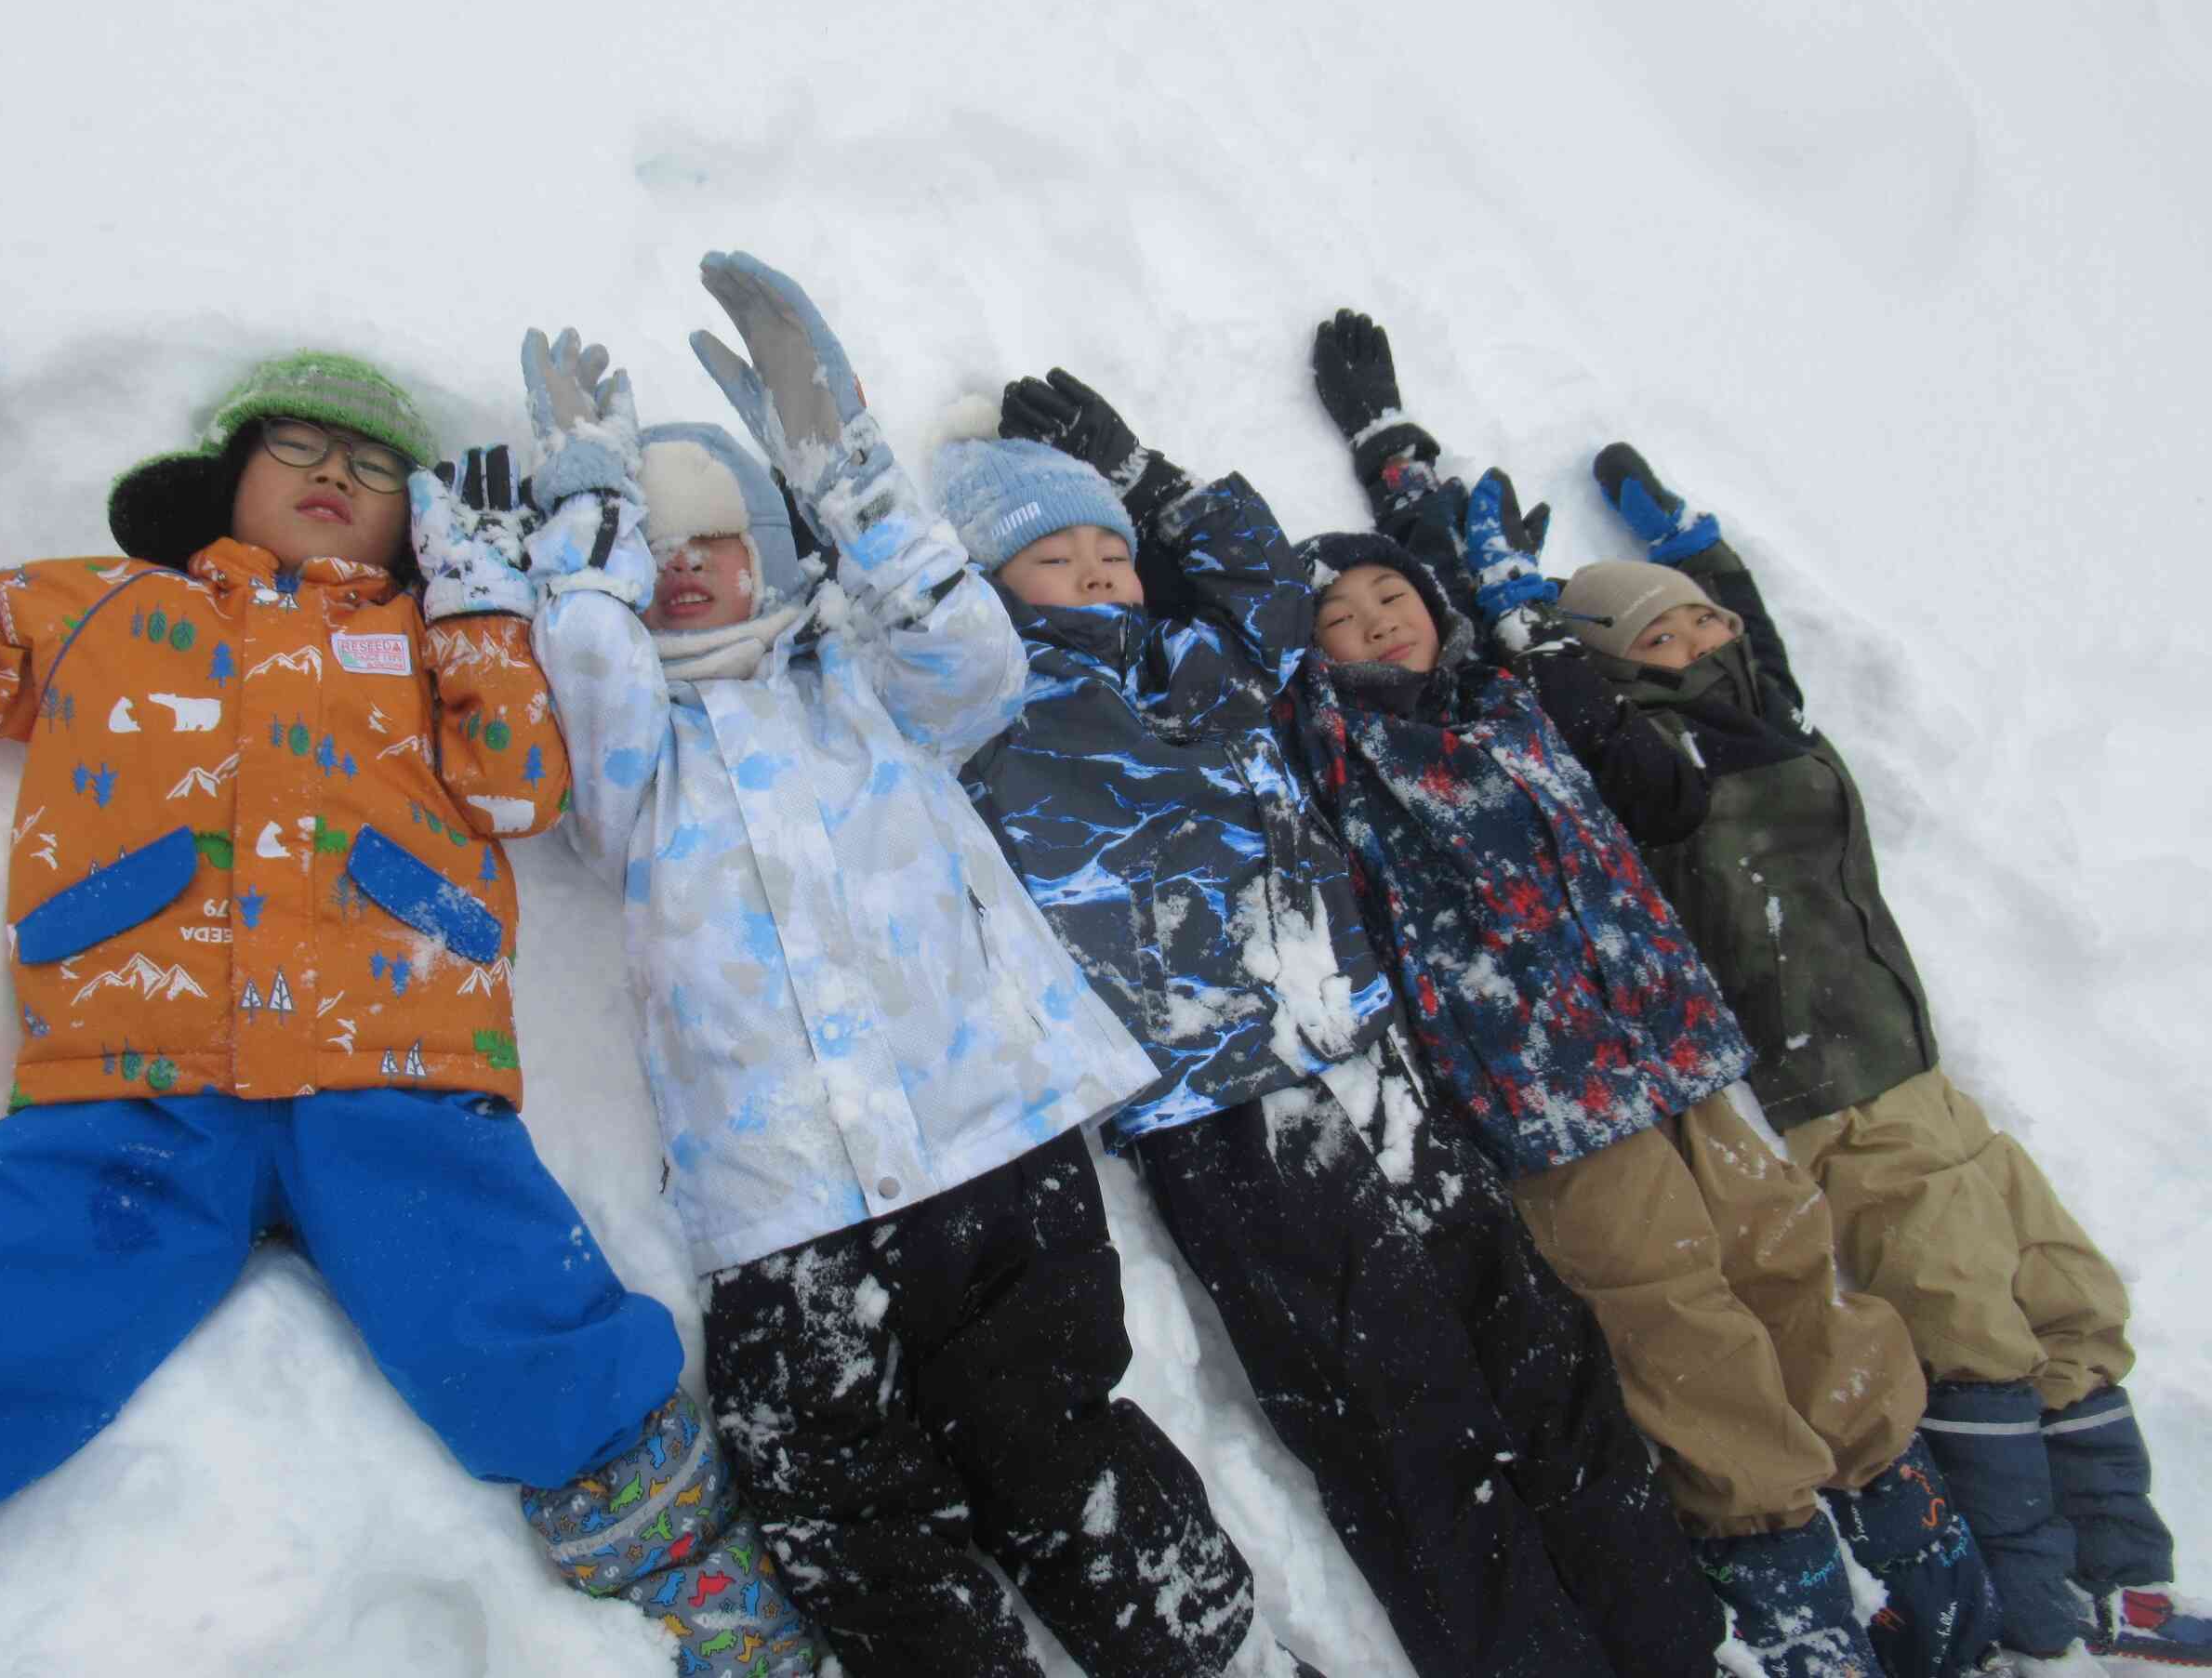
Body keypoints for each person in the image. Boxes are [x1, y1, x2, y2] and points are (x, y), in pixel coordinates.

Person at [0, 300, 814, 1676]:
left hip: (398, 1070)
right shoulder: (106, 608)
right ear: (230, 478)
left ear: (417, 524)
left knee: (516, 1317)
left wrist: (475, 610)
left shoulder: (430, 639)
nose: (336, 472)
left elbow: (518, 780)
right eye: (296, 445)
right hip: (135, 1073)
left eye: (378, 466)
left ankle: (689, 1574)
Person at [525, 254, 1319, 1678]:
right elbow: (583, 689)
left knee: (1056, 1445)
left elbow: (975, 658)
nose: (685, 563)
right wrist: (584, 531)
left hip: (990, 1151)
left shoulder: (870, 690)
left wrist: (858, 494)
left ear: (772, 547)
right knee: (841, 1508)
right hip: (782, 1213)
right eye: (653, 548)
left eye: (714, 535)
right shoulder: (636, 772)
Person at [936, 372, 1728, 1678]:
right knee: (1402, 1418)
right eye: (1048, 555)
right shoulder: (992, 700)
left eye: (1107, 556)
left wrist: (1153, 485)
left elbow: (1266, 587)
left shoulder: (1206, 658)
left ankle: (1672, 1644)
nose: (1093, 573)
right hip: (1216, 1110)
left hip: (1363, 1055)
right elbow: (905, 635)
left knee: (1539, 1351)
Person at [1291, 309, 2004, 1678]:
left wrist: (1394, 449)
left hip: (1678, 1045)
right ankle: (1799, 1607)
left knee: (1789, 1260)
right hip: (1553, 1098)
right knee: (1674, 1323)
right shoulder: (1342, 748)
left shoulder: (1514, 692)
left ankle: (1921, 1552)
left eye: (1390, 598)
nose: (1376, 620)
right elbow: (1269, 631)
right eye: (1341, 619)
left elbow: (1472, 568)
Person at [1517, 435, 2208, 1676]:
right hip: (1821, 1098)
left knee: (2068, 1301)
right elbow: (1582, 734)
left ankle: (2129, 1581)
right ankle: (2040, 1619)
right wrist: (1539, 630)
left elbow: (1751, 645)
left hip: (1918, 1072)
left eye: (1703, 627)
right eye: (1660, 640)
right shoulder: (1644, 762)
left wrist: (1693, 552)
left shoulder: (1763, 724)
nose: (1700, 646)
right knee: (1970, 1343)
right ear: (1621, 669)